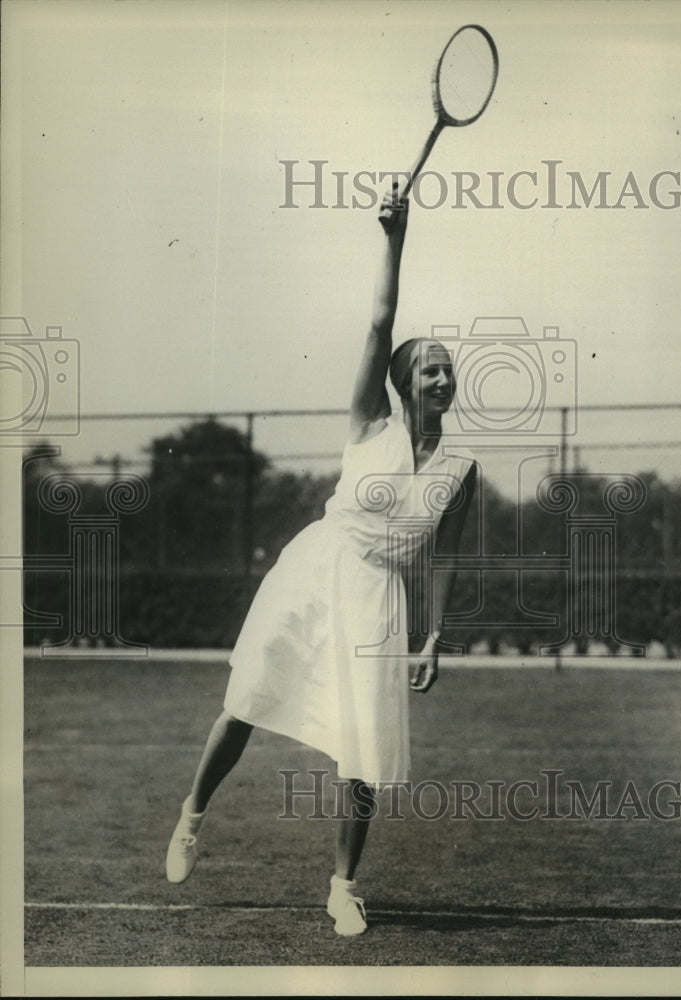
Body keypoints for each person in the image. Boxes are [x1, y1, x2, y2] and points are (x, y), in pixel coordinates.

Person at [165, 185, 477, 936]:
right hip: (316, 568)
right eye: (428, 368)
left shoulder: (462, 467)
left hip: (378, 598)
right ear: (403, 384)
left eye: (447, 368)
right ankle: (191, 817)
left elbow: (446, 556)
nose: (441, 375)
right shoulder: (369, 421)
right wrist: (394, 239)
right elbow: (379, 320)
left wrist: (432, 637)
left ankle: (343, 885)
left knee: (361, 748)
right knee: (246, 701)